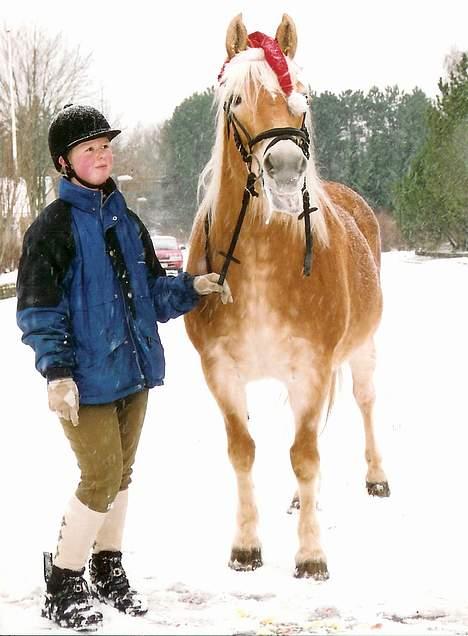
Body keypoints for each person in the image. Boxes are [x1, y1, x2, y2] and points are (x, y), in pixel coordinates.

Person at [16, 104, 232, 631]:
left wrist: (191, 287)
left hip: (132, 372)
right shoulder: (53, 228)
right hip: (84, 379)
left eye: (105, 146)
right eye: (88, 148)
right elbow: (38, 311)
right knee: (100, 475)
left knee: (122, 475)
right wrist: (57, 372)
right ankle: (63, 580)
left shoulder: (125, 219)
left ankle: (106, 565)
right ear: (64, 163)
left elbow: (153, 294)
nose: (101, 155)